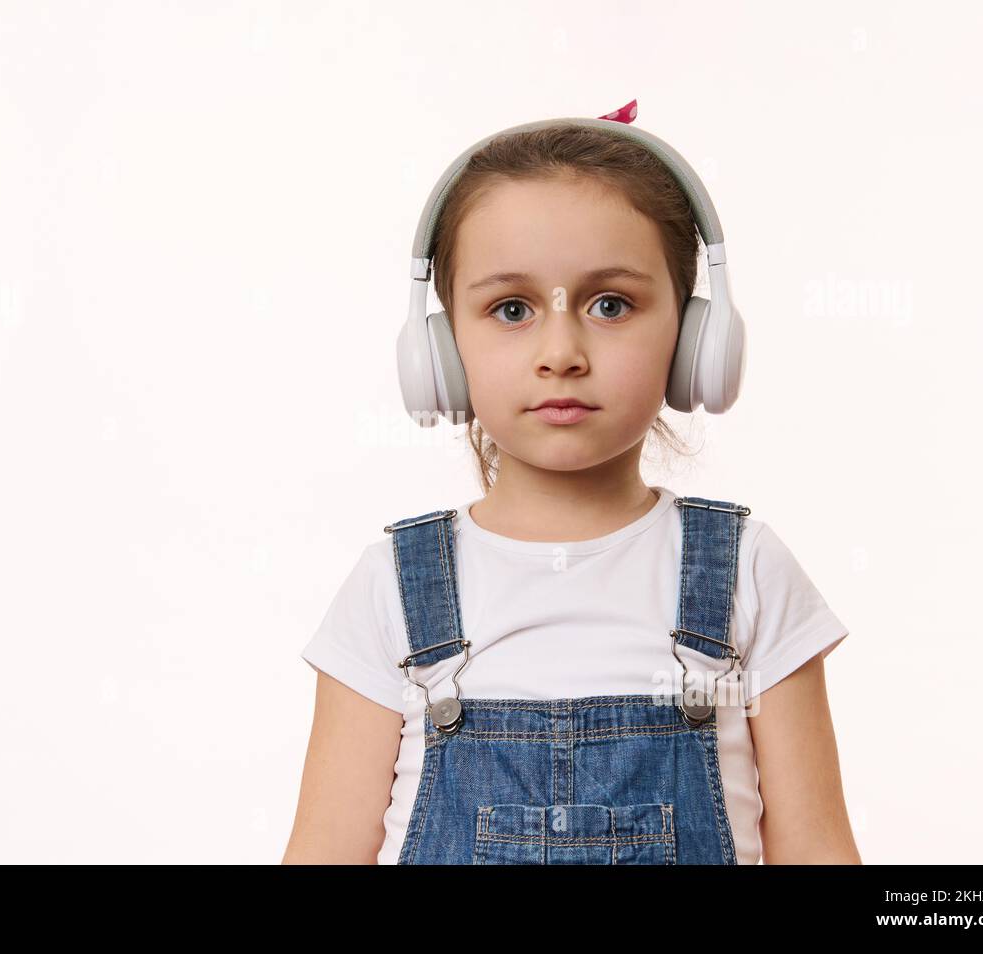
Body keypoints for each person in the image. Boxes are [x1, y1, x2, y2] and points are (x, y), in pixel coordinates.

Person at [283, 104, 860, 865]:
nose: (561, 351)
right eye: (511, 309)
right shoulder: (392, 588)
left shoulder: (746, 571)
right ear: (441, 351)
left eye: (611, 304)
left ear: (694, 342)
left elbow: (817, 848)